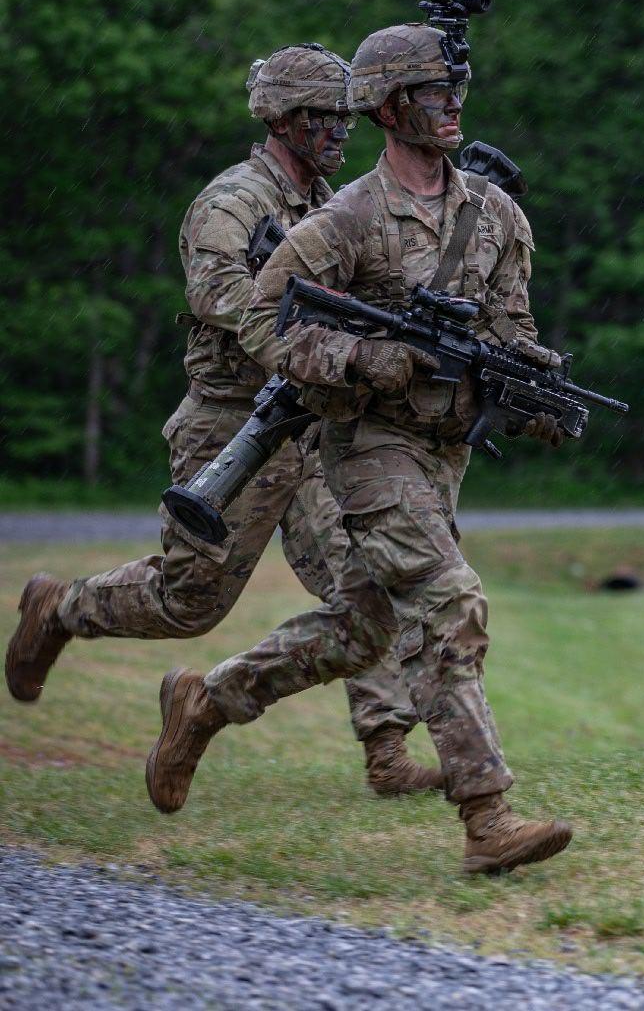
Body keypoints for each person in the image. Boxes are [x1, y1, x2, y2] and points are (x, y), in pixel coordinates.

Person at [142, 21, 573, 876]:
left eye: (457, 89)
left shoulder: (497, 215)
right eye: (434, 91)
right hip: (369, 442)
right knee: (449, 601)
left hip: (444, 449)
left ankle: (208, 702)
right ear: (387, 107)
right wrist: (363, 358)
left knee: (361, 628)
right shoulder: (345, 219)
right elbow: (264, 323)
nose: (452, 105)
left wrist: (532, 387)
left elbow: (508, 326)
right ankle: (487, 816)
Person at [5, 44, 438, 796]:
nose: (340, 130)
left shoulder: (333, 204)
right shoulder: (234, 199)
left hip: (314, 426)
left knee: (370, 585)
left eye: (344, 117)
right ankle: (61, 609)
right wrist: (313, 336)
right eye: (323, 117)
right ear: (283, 120)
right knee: (189, 603)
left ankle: (386, 749)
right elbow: (218, 295)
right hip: (232, 424)